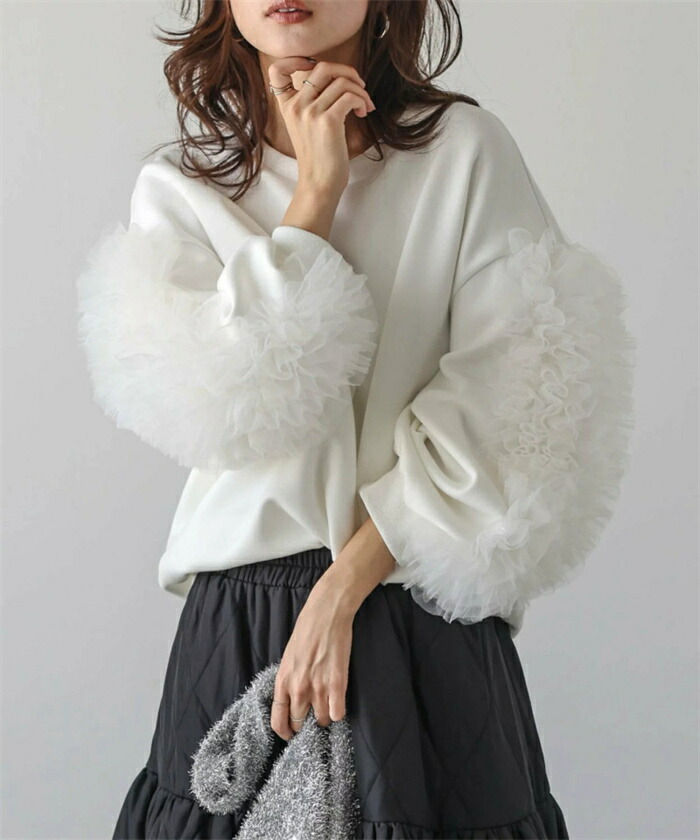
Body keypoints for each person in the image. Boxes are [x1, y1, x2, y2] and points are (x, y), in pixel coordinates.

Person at [75, 0, 636, 837]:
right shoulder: (180, 189)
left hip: (416, 599)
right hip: (241, 621)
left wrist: (343, 589)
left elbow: (526, 405)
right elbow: (226, 410)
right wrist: (315, 195)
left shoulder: (464, 155)